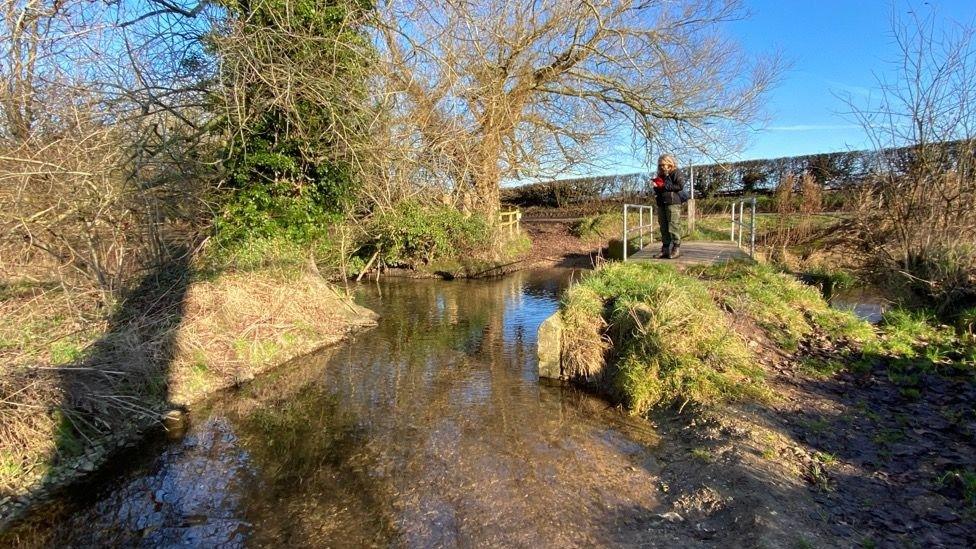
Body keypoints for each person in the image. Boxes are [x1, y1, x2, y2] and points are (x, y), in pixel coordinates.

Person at [652, 154, 685, 259]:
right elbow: (660, 189)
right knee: (663, 226)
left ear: (669, 163)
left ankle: (676, 248)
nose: (661, 167)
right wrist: (656, 186)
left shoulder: (676, 172)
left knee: (673, 225)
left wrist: (664, 184)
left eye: (663, 164)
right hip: (661, 203)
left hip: (673, 202)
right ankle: (665, 249)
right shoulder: (660, 175)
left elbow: (679, 186)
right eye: (659, 165)